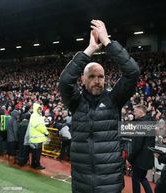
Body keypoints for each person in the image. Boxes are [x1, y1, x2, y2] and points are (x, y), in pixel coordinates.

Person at [59, 19, 140, 193]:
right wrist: (90, 50)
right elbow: (65, 81)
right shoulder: (76, 102)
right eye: (92, 77)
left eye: (101, 77)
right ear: (83, 79)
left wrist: (108, 43)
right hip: (82, 185)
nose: (97, 81)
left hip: (110, 186)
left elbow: (132, 72)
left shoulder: (114, 99)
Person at [127, 104, 155, 193]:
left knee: (136, 179)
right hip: (146, 158)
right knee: (142, 178)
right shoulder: (150, 122)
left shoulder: (142, 124)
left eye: (135, 111)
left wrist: (129, 158)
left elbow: (137, 146)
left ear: (140, 112)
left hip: (140, 158)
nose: (133, 113)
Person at [29, 103, 49, 170]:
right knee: (37, 153)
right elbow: (39, 126)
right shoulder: (35, 116)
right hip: (37, 138)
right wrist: (46, 132)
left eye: (40, 109)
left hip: (36, 138)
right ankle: (37, 165)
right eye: (39, 109)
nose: (40, 110)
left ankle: (33, 164)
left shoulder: (35, 115)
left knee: (34, 152)